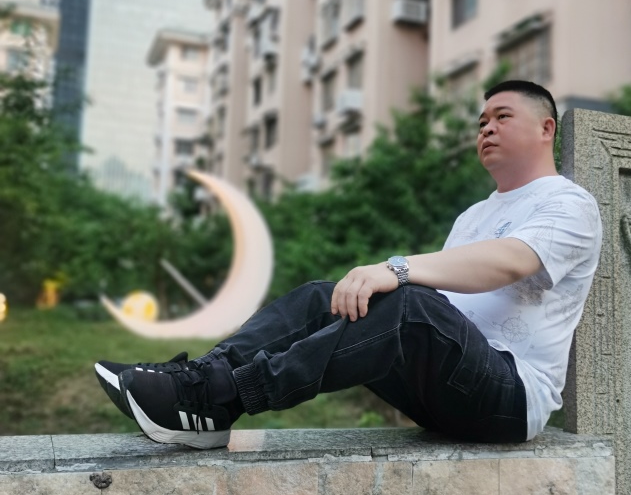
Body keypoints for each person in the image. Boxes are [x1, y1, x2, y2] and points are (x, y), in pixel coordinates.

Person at [95, 80, 602, 450]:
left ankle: (226, 394)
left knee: (408, 304)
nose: (487, 127)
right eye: (482, 121)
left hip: (509, 398)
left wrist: (395, 269)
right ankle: (202, 384)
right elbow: (447, 305)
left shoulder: (569, 203)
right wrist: (384, 282)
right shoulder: (474, 215)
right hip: (443, 385)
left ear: (546, 128)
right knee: (327, 295)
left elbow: (511, 261)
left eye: (502, 116)